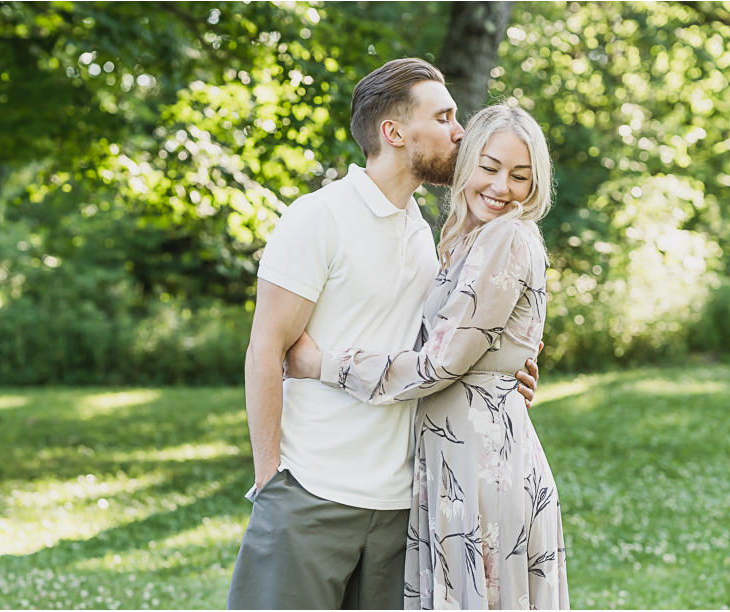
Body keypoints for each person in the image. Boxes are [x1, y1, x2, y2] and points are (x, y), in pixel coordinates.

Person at [226, 60, 540, 610]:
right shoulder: (318, 217)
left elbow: (440, 349)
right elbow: (266, 350)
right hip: (313, 495)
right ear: (394, 133)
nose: (459, 130)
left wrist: (497, 375)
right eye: (443, 117)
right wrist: (270, 480)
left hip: (406, 505)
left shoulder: (427, 233)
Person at [285, 104, 569, 610]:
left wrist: (323, 364)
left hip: (480, 465)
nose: (501, 187)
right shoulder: (463, 240)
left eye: (519, 176)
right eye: (489, 167)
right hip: (455, 457)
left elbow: (440, 363)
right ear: (466, 164)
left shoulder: (506, 237)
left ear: (536, 184)